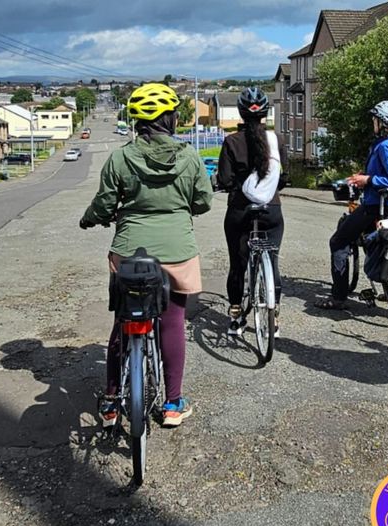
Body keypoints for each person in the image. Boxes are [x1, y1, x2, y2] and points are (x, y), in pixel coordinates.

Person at [80, 82, 212, 427]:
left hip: (130, 251)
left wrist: (90, 218)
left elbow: (105, 203)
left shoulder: (120, 157)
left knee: (123, 322)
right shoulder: (190, 157)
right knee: (172, 322)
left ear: (138, 121)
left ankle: (110, 402)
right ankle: (172, 404)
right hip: (178, 251)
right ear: (170, 119)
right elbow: (203, 202)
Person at [316, 100, 388, 310]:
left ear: (383, 123)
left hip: (375, 205)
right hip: (386, 203)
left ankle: (338, 297)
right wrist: (363, 176)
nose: (373, 123)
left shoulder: (385, 146)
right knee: (375, 244)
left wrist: (368, 181)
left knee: (339, 241)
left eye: (375, 120)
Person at [216, 86, 285, 336]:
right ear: (265, 113)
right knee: (272, 261)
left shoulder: (231, 141)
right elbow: (282, 176)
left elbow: (224, 180)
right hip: (271, 210)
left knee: (238, 264)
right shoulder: (276, 140)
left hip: (240, 210)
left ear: (241, 114)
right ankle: (273, 316)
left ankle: (236, 315)